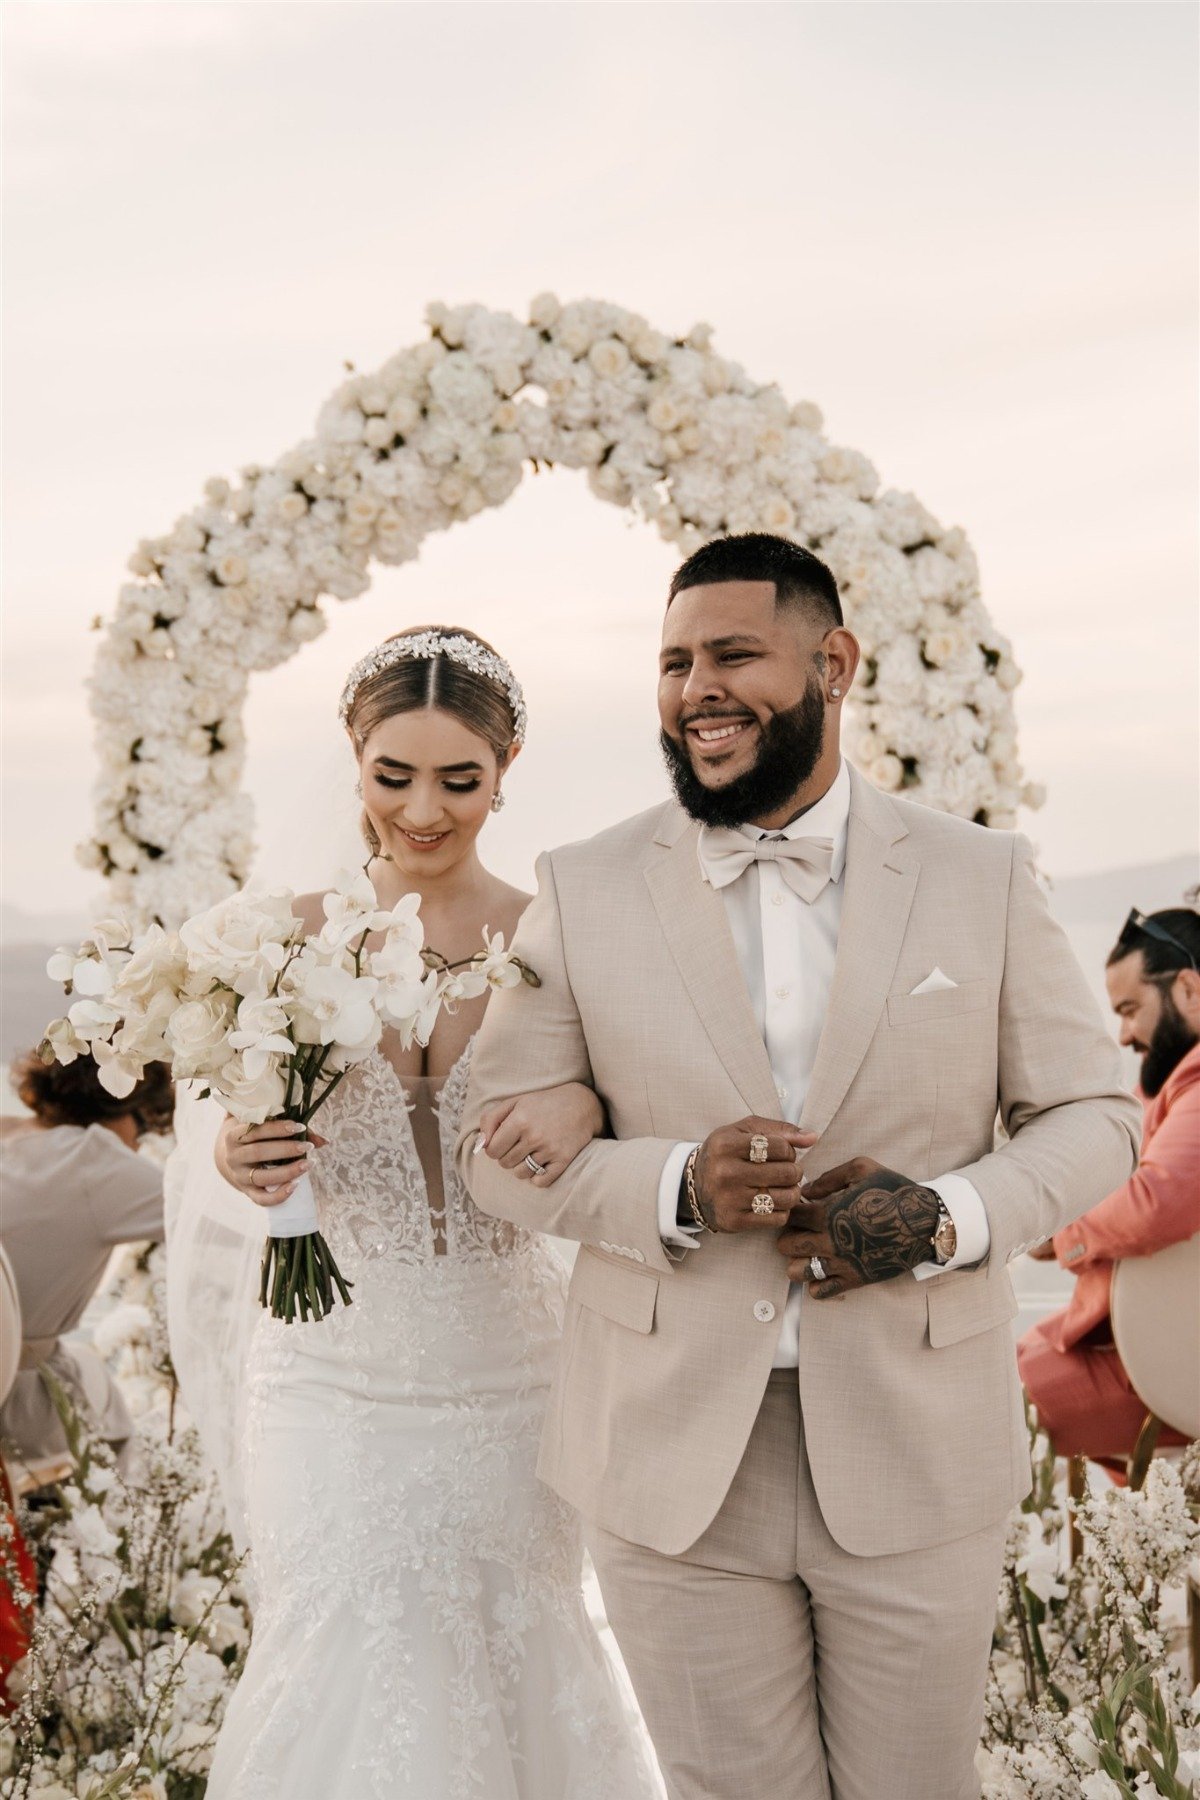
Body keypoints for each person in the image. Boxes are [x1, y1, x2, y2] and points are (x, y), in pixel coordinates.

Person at [458, 533, 1141, 1800]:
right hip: (667, 1457)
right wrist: (668, 1187)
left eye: (731, 654)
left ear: (833, 662)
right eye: (672, 663)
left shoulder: (981, 874)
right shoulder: (583, 885)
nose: (694, 688)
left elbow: (1098, 1113)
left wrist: (945, 1217)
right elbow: (495, 1155)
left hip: (915, 1443)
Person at [202, 628, 661, 1800]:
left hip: (514, 1373)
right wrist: (239, 1151)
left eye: (460, 780)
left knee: (524, 1646)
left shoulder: (560, 938)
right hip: (329, 1374)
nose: (423, 809)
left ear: (507, 771)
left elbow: (633, 1121)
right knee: (349, 1649)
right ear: (353, 763)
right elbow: (232, 1136)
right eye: (392, 775)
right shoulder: (278, 942)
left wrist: (580, 1103)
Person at [1018, 905, 1200, 1471]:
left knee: (977, 1401)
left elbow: (1156, 1201)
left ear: (1189, 989)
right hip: (1142, 1350)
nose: (1123, 1034)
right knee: (981, 1370)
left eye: (1130, 1010)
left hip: (1166, 1371)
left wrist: (1064, 1227)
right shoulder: (1178, 1077)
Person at [0, 1050, 172, 1468]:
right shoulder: (95, 1161)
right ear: (119, 1108)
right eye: (144, 1125)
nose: (137, 1142)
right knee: (119, 1430)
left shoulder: (7, 1134)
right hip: (16, 1404)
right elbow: (209, 1214)